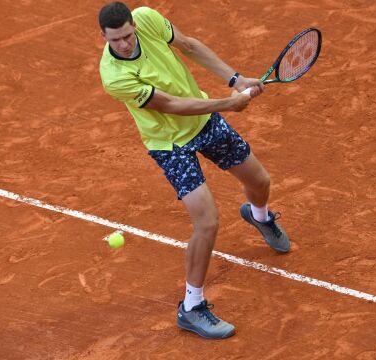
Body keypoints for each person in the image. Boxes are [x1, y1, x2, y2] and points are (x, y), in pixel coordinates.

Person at [98, 2, 291, 339]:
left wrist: (234, 78)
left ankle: (259, 216)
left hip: (204, 122)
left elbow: (188, 45)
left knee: (260, 181)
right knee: (207, 222)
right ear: (103, 37)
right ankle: (191, 307)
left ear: (133, 24)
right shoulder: (115, 77)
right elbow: (171, 105)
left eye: (128, 36)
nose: (124, 44)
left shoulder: (147, 18)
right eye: (116, 41)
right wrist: (229, 102)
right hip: (170, 145)